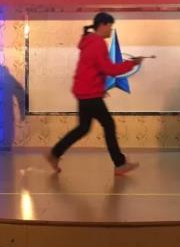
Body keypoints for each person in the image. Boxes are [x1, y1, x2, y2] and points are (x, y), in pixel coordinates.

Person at [47, 12, 142, 176]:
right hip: (90, 94)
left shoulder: (89, 41)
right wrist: (132, 63)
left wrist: (100, 88)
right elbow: (109, 69)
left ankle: (55, 153)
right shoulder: (98, 43)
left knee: (83, 128)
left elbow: (92, 70)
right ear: (103, 25)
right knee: (108, 125)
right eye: (110, 26)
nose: (111, 30)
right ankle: (119, 164)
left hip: (85, 92)